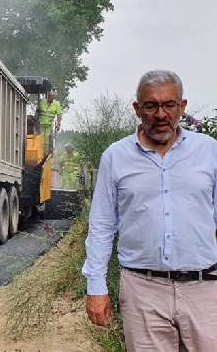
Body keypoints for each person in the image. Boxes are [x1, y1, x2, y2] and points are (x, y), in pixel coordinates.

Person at [81, 70, 217, 351]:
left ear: (182, 107)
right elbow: (102, 225)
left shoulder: (209, 151)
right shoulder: (116, 157)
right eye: (151, 105)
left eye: (169, 105)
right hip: (143, 290)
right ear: (137, 109)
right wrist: (96, 286)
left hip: (205, 289)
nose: (161, 114)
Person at [36, 89, 62, 153]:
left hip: (49, 125)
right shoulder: (42, 102)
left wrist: (58, 124)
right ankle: (40, 152)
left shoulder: (56, 104)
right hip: (40, 124)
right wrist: (35, 119)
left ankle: (45, 153)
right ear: (47, 96)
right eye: (49, 96)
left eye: (51, 96)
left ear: (54, 97)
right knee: (40, 138)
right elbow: (37, 111)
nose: (50, 98)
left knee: (47, 139)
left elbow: (59, 115)